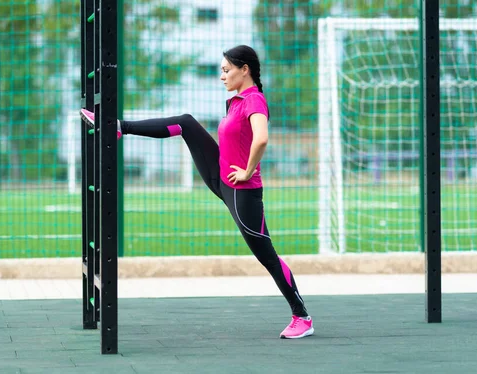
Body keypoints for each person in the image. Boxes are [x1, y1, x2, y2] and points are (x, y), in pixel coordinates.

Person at [80, 45, 313, 339]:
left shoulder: (254, 100)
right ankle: (117, 127)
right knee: (187, 123)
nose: (221, 76)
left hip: (242, 192)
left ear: (245, 69)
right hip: (222, 175)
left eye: (226, 70)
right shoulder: (237, 101)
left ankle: (301, 316)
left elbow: (262, 139)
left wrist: (248, 170)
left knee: (266, 255)